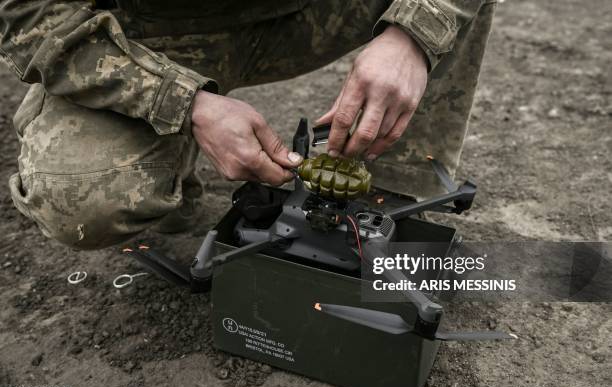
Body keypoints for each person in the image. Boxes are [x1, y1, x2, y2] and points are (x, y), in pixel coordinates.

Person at [0, 0, 496, 249]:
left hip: (300, 15)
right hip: (144, 36)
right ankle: (168, 155)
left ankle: (390, 196)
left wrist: (414, 33)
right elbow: (29, 16)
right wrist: (185, 102)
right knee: (82, 200)